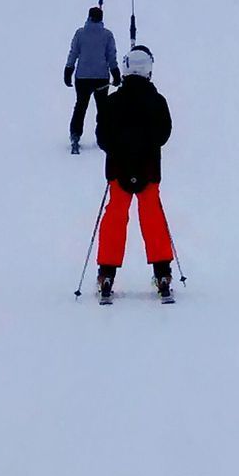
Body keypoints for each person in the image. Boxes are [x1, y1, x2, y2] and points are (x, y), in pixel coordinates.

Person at [95, 44, 174, 300]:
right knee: (152, 215)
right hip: (148, 168)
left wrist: (118, 149)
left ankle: (106, 274)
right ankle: (162, 272)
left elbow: (102, 136)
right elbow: (163, 134)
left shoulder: (112, 101)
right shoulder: (157, 101)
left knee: (115, 215)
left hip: (119, 168)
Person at [64, 7, 121, 153]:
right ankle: (104, 136)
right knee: (103, 108)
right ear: (101, 18)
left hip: (82, 77)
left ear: (88, 17)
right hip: (101, 78)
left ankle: (75, 136)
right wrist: (115, 73)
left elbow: (74, 52)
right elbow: (111, 56)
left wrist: (68, 69)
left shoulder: (80, 33)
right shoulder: (107, 35)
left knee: (80, 106)